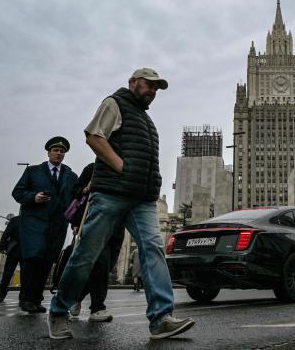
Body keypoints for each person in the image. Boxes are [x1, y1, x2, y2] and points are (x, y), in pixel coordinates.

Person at [48, 68, 195, 340]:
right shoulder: (115, 103)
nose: (151, 90)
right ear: (133, 83)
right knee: (86, 254)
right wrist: (121, 167)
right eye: (147, 84)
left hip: (142, 199)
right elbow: (94, 136)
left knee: (153, 250)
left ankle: (161, 318)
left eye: (155, 88)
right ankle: (58, 311)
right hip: (112, 193)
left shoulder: (145, 120)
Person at [12, 136, 78, 313]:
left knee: (47, 261)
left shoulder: (71, 176)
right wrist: (34, 197)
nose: (59, 153)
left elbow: (74, 202)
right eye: (56, 150)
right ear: (48, 152)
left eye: (62, 151)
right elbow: (17, 193)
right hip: (35, 222)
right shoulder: (33, 171)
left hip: (57, 225)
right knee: (32, 259)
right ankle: (26, 299)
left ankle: (37, 299)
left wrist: (75, 222)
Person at [68, 163, 125, 322]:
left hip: (118, 225)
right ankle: (97, 307)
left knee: (106, 266)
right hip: (95, 220)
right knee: (101, 262)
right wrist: (87, 188)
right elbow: (75, 192)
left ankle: (77, 297)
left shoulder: (125, 167)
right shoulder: (93, 168)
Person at [0, 213, 23, 303]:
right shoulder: (32, 220)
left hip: (14, 250)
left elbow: (6, 233)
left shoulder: (15, 220)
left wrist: (2, 247)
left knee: (7, 272)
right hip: (27, 251)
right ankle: (22, 296)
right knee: (26, 274)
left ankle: (2, 293)